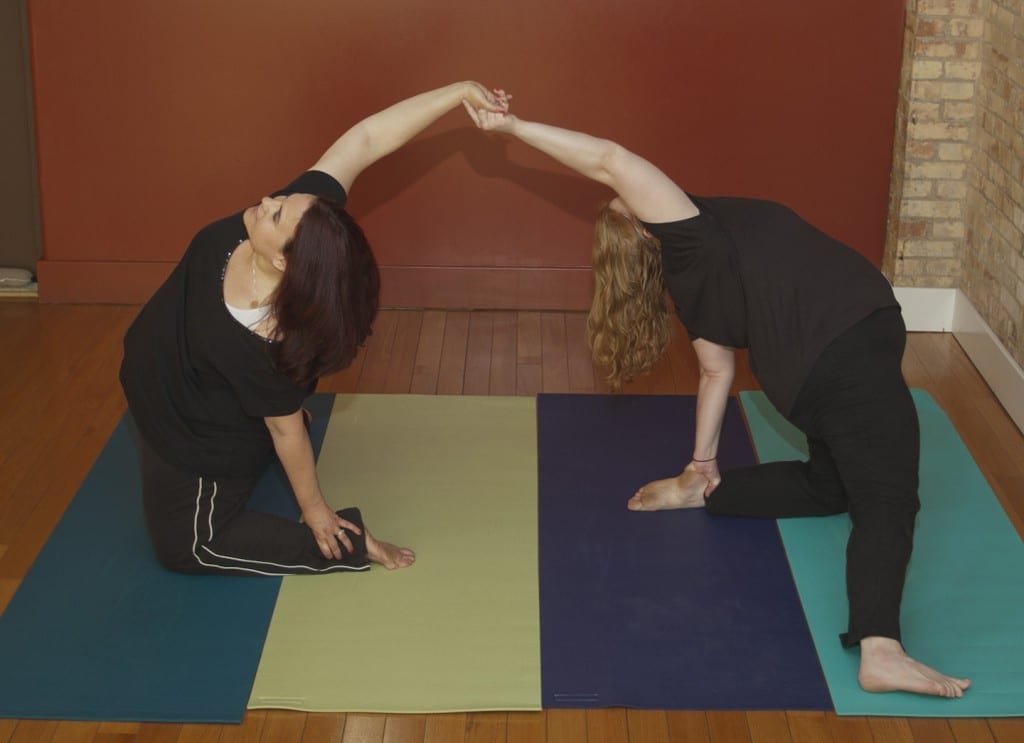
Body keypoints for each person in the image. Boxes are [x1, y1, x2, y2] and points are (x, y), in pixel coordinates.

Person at [464, 96, 971, 699]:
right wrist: (514, 127)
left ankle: (715, 494)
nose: (624, 192)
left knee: (834, 485)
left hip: (811, 375)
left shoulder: (694, 275)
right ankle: (880, 649)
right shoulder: (688, 235)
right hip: (844, 355)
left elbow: (717, 373)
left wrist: (698, 469)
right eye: (624, 203)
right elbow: (608, 159)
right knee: (889, 496)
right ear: (647, 233)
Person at [121, 81, 504, 576]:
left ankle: (346, 546)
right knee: (277, 417)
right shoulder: (307, 221)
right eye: (282, 199)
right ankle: (262, 431)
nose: (266, 198)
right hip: (177, 387)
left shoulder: (262, 343)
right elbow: (365, 140)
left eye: (276, 212)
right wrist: (458, 91)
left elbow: (283, 428)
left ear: (284, 261)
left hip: (192, 437)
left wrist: (317, 512)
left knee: (190, 546)